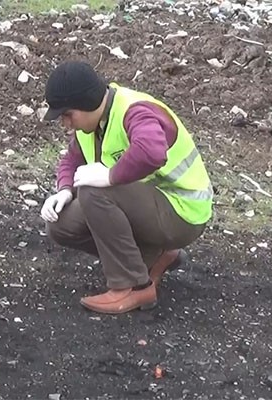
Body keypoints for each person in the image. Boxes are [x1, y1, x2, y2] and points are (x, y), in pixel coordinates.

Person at [40, 60, 214, 314]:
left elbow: (152, 153)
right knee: (60, 223)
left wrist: (110, 176)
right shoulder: (91, 124)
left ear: (87, 102)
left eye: (67, 115)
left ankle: (134, 286)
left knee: (94, 190)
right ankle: (154, 257)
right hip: (150, 209)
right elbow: (72, 159)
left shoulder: (135, 111)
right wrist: (64, 190)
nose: (66, 123)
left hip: (183, 212)